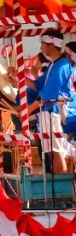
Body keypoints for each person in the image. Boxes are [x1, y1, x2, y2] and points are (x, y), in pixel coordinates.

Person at [29, 30, 73, 174]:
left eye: (42, 43)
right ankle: (59, 190)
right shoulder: (55, 64)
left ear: (52, 44)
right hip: (47, 112)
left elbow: (47, 95)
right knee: (50, 153)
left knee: (56, 152)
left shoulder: (61, 65)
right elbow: (38, 85)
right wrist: (18, 76)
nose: (41, 47)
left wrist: (27, 111)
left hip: (54, 111)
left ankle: (62, 191)